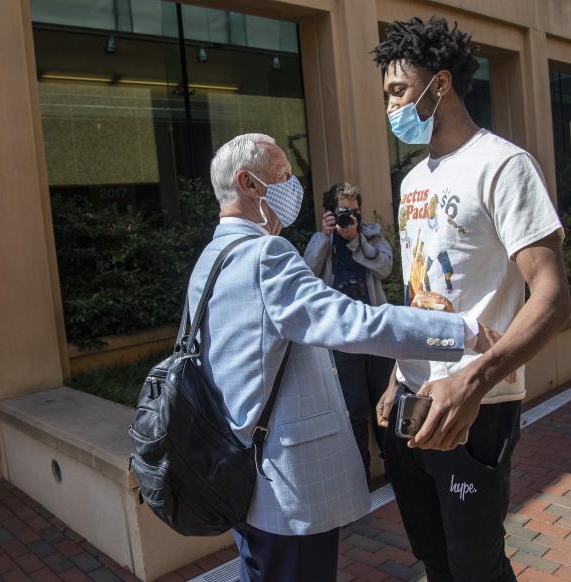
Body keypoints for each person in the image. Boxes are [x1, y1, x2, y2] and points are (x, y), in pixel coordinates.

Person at [194, 133, 498, 582]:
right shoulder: (266, 254)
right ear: (248, 183)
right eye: (281, 177)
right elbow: (356, 323)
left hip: (237, 471)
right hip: (285, 488)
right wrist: (461, 331)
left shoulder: (211, 256)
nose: (291, 186)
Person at [372, 17, 571, 582]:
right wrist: (395, 376)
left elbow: (553, 300)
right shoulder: (413, 182)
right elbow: (419, 290)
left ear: (439, 84)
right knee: (434, 559)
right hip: (411, 406)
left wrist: (475, 380)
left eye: (398, 91)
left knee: (475, 566)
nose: (390, 108)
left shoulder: (504, 166)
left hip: (474, 408)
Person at [303, 182, 396, 479]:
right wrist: (323, 236)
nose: (351, 217)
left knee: (386, 405)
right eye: (344, 211)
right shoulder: (323, 240)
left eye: (355, 211)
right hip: (342, 337)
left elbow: (384, 268)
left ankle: (398, 469)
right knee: (354, 410)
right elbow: (305, 275)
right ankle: (361, 477)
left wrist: (355, 239)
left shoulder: (371, 234)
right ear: (330, 212)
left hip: (376, 334)